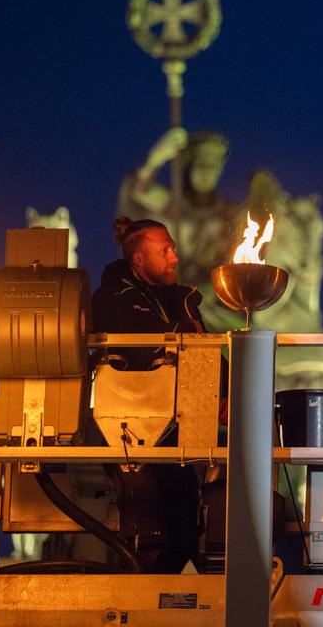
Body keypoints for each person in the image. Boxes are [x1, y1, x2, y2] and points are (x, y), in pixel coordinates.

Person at [91, 216, 207, 572]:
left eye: (172, 248)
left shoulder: (176, 300)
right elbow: (151, 349)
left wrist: (226, 392)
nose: (175, 257)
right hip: (134, 432)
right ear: (139, 260)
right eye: (165, 250)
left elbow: (205, 354)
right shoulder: (113, 298)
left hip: (176, 430)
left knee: (186, 526)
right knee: (150, 531)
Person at [116, 128, 237, 289]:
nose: (206, 172)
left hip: (210, 299)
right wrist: (155, 159)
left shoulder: (228, 215)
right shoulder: (171, 204)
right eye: (201, 164)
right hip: (167, 292)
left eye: (212, 165)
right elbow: (139, 189)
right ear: (189, 167)